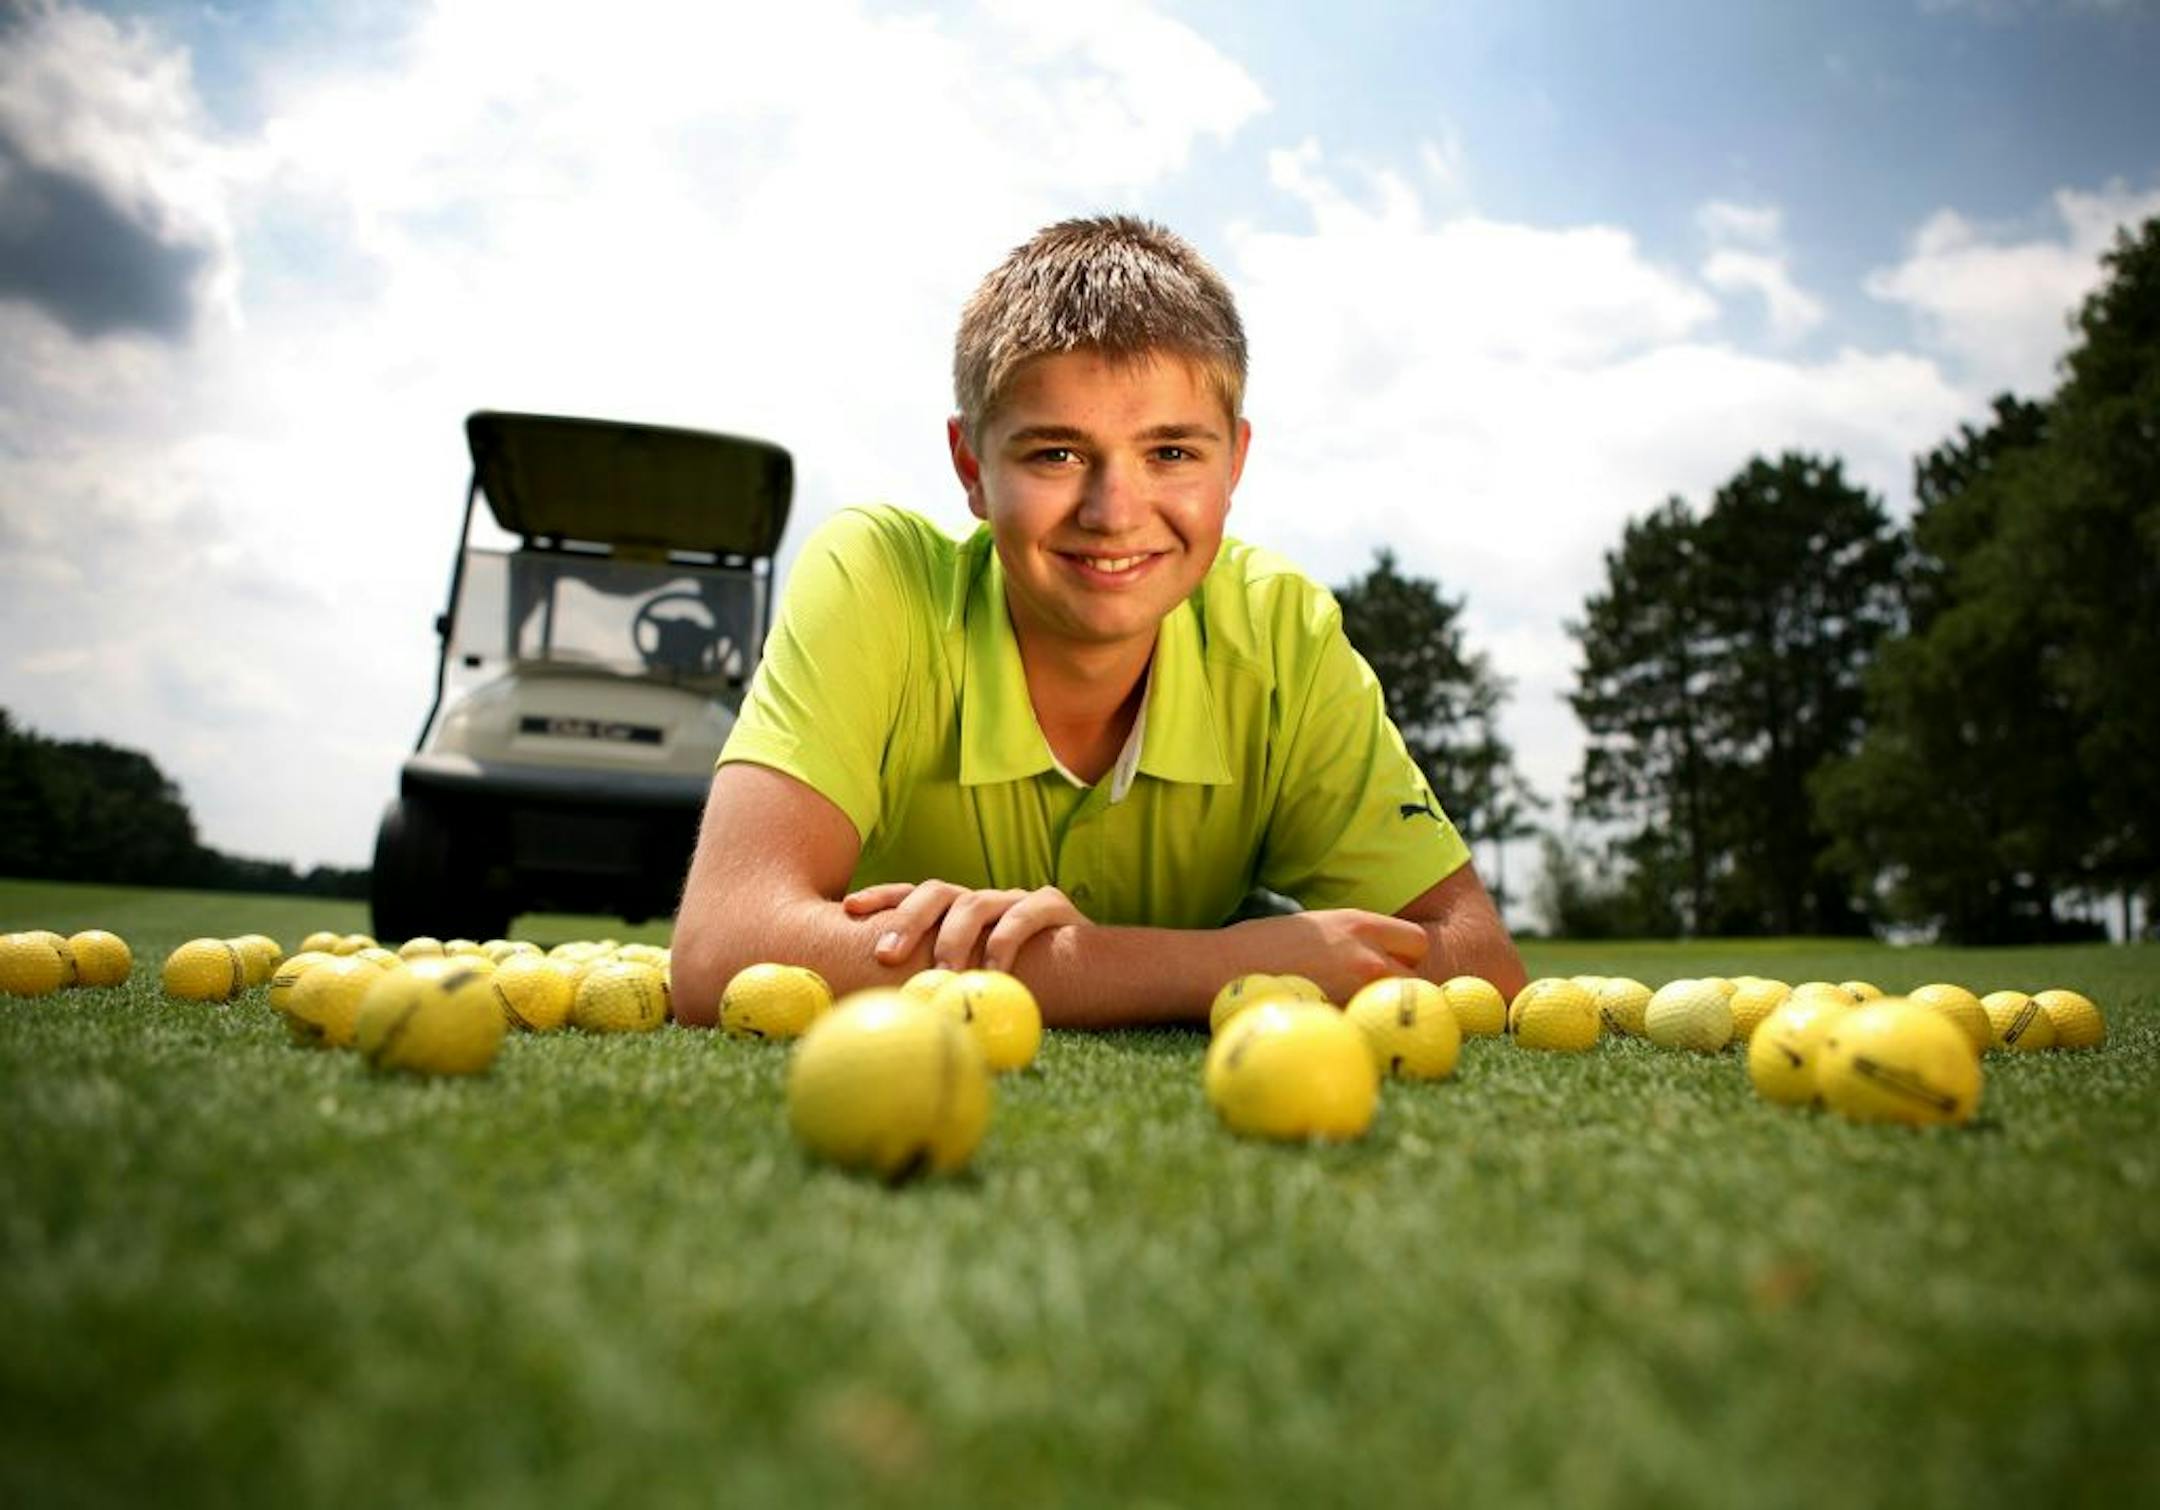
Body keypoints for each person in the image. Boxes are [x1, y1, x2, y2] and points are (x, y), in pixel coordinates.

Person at [672, 215, 1525, 1027]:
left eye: (1172, 454)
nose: (1115, 511)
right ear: (971, 466)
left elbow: (1476, 963)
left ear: (1236, 463)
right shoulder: (876, 577)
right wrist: (1213, 965)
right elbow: (723, 952)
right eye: (1058, 454)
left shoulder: (1280, 630)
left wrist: (1069, 962)